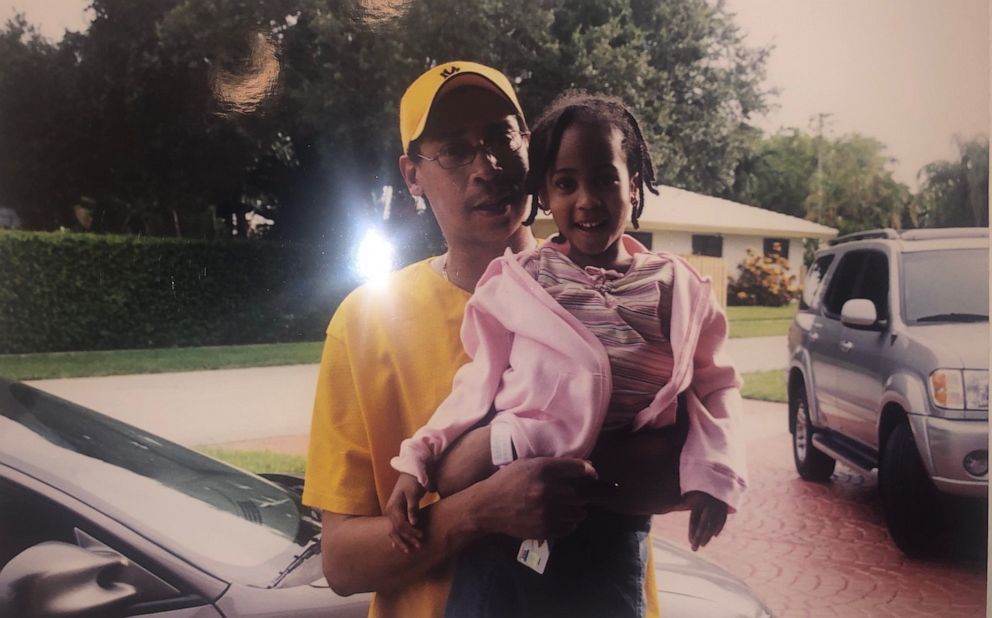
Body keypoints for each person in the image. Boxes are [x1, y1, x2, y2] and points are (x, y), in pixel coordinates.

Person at [303, 62, 685, 618]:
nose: (487, 167)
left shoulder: (624, 283)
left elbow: (685, 475)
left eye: (502, 137)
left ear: (530, 146)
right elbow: (341, 562)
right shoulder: (365, 322)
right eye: (454, 150)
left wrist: (498, 454)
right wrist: (479, 509)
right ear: (411, 175)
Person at [384, 91, 747, 617]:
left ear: (635, 184)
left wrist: (717, 474)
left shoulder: (678, 288)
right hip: (501, 532)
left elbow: (716, 387)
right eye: (566, 183)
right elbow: (474, 388)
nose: (587, 200)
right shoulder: (521, 282)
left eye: (605, 179)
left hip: (611, 531)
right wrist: (417, 460)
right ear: (545, 196)